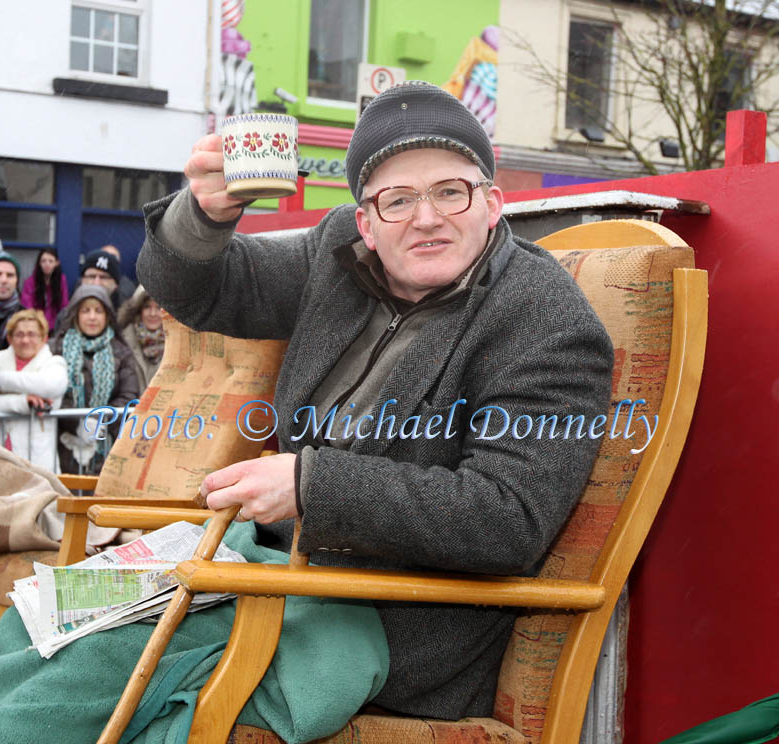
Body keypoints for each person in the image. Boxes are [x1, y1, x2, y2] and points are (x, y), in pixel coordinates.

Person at [136, 81, 614, 721]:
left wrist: (312, 484)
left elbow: (507, 519)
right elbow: (200, 293)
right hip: (270, 576)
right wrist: (204, 214)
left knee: (90, 673)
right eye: (398, 199)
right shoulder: (340, 255)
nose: (426, 218)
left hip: (389, 630)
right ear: (366, 220)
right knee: (51, 633)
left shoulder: (545, 319)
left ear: (493, 203)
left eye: (451, 191)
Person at [50, 284, 139, 474]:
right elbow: (53, 393)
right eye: (86, 311)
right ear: (75, 314)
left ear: (107, 316)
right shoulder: (56, 348)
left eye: (98, 311)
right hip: (62, 446)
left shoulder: (121, 352)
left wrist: (101, 420)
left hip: (108, 448)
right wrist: (77, 423)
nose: (92, 317)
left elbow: (128, 395)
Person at [0, 309, 68, 471]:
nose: (25, 340)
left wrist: (1, 382)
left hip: (37, 457)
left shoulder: (54, 363)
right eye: (19, 335)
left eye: (32, 334)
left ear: (44, 338)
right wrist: (22, 402)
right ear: (9, 338)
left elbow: (50, 386)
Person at [117, 285, 164, 393]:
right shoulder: (122, 341)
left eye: (159, 307)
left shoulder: (178, 344)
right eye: (147, 307)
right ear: (138, 310)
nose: (153, 313)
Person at [20, 247, 70, 333]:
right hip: (36, 326)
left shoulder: (61, 280)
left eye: (51, 261)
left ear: (57, 263)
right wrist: (38, 322)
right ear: (39, 263)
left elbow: (64, 305)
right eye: (43, 261)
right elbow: (27, 305)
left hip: (55, 327)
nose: (47, 264)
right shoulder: (30, 282)